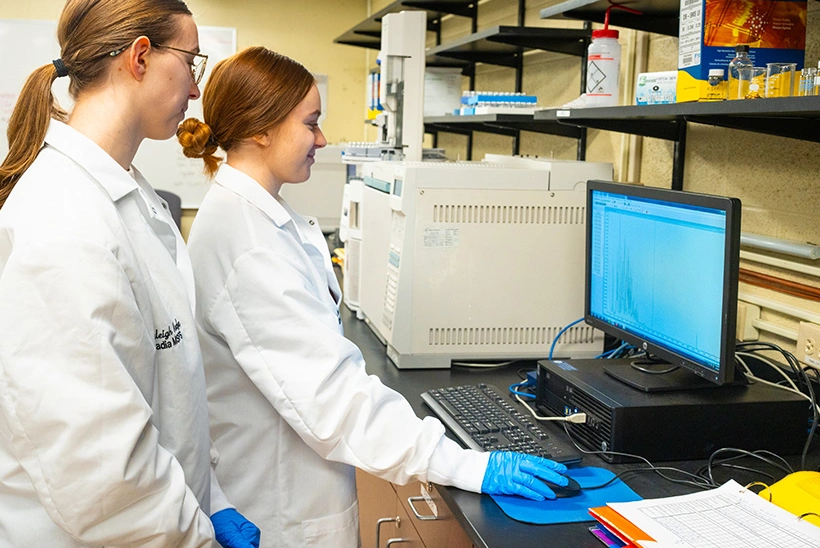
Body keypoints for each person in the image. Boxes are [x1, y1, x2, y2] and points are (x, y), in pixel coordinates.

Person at [179, 45, 571, 546]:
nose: (321, 139)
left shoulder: (257, 217)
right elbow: (335, 402)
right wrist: (469, 465)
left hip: (284, 486)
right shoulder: (247, 242)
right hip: (279, 510)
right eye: (310, 123)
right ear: (261, 128)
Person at [0, 0, 259, 548]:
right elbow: (101, 477)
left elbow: (162, 397)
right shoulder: (64, 223)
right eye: (192, 62)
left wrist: (208, 499)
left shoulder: (127, 195)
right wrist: (195, 537)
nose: (198, 91)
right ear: (141, 57)